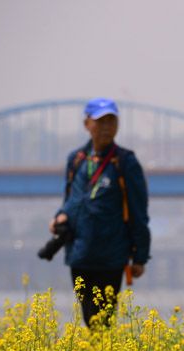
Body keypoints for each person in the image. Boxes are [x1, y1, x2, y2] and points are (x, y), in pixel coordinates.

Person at [48, 97, 150, 327]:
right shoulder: (76, 160)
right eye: (100, 121)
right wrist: (59, 217)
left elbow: (138, 211)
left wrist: (140, 256)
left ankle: (102, 350)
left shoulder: (125, 162)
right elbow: (71, 199)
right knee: (88, 318)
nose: (106, 127)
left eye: (111, 121)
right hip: (80, 255)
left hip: (111, 257)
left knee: (102, 323)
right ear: (87, 124)